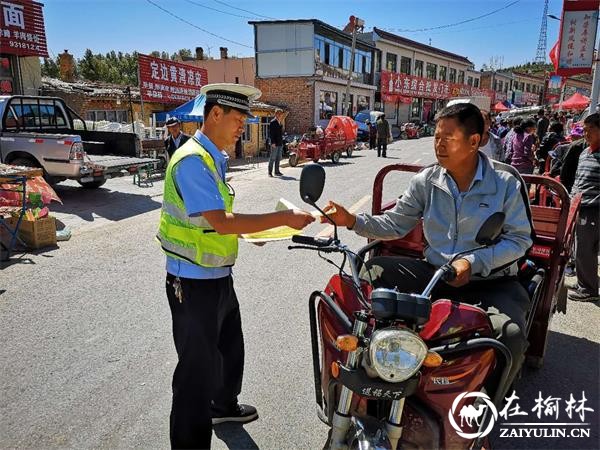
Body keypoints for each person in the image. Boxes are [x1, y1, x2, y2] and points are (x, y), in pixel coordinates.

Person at [320, 102, 532, 396]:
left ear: (474, 142)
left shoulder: (505, 183)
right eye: (436, 136)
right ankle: (371, 367)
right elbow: (395, 224)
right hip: (435, 274)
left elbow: (520, 241)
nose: (439, 144)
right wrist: (351, 220)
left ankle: (490, 404)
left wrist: (474, 262)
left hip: (490, 282)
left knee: (510, 336)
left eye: (448, 137)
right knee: (368, 272)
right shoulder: (427, 180)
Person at [157, 83, 315, 449]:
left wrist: (253, 233)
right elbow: (221, 220)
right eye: (238, 119)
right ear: (215, 114)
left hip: (217, 276)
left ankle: (222, 405)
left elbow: (212, 223)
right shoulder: (193, 160)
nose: (243, 126)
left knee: (230, 348)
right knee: (195, 374)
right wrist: (282, 221)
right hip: (192, 283)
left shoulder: (213, 157)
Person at [567, 113, 600, 302]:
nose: (586, 134)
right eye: (584, 130)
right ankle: (584, 283)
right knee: (579, 248)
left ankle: (588, 290)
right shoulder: (584, 152)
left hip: (594, 209)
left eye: (591, 130)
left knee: (586, 249)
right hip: (579, 206)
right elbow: (579, 180)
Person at [268, 108, 285, 177]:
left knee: (278, 158)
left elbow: (280, 133)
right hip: (274, 143)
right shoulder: (272, 122)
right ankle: (270, 172)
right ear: (275, 114)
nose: (279, 115)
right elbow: (271, 133)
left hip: (280, 143)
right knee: (272, 158)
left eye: (280, 114)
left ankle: (277, 172)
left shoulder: (280, 122)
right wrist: (272, 143)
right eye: (278, 114)